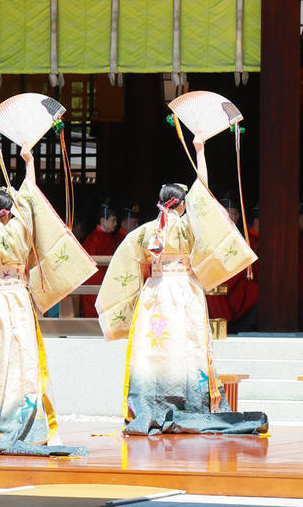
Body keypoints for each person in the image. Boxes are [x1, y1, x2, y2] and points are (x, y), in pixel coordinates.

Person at [95, 137, 268, 436]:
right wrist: (200, 150)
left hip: (155, 292)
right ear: (181, 203)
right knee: (187, 347)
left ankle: (149, 405)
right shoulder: (189, 227)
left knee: (155, 347)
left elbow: (126, 265)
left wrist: (120, 306)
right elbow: (203, 192)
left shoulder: (146, 232)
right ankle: (191, 404)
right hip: (186, 291)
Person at [0, 147, 95, 456]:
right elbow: (29, 201)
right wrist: (28, 162)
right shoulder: (18, 234)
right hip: (14, 305)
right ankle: (16, 422)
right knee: (19, 365)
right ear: (7, 212)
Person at [81, 203, 118, 317]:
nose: (116, 224)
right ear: (103, 220)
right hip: (95, 285)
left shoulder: (108, 237)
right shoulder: (93, 238)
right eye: (113, 220)